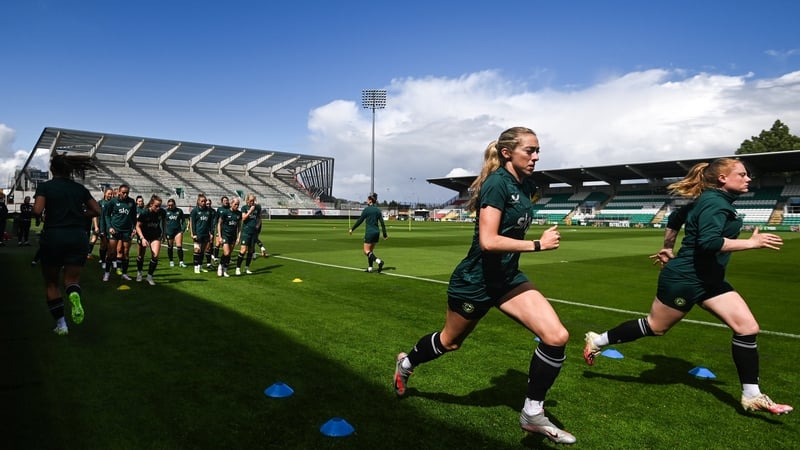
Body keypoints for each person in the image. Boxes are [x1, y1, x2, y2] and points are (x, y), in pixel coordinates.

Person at [392, 127, 575, 444]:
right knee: (450, 343)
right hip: (475, 282)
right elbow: (488, 241)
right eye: (529, 151)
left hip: (506, 278)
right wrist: (538, 246)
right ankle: (406, 363)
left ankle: (532, 412)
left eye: (537, 150)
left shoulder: (525, 185)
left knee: (556, 336)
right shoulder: (496, 185)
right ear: (507, 153)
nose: (536, 156)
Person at [583, 158, 793, 416]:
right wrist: (751, 243)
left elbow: (676, 216)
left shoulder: (715, 201)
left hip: (710, 280)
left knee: (747, 328)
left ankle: (752, 395)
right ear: (723, 179)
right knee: (655, 327)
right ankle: (598, 340)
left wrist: (668, 247)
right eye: (742, 174)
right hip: (684, 279)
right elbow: (709, 242)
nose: (748, 178)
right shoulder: (715, 203)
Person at [32, 153, 101, 335]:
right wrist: (78, 215)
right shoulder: (79, 189)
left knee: (52, 283)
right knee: (72, 280)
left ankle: (61, 325)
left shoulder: (46, 187)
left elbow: (37, 210)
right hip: (78, 236)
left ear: (52, 169)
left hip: (54, 235)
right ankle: (73, 294)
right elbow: (96, 210)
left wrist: (42, 214)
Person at [102, 184, 137, 282]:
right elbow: (107, 215)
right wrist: (109, 227)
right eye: (123, 192)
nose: (125, 194)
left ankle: (124, 274)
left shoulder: (131, 202)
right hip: (115, 230)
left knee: (125, 253)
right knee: (111, 253)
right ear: (119, 192)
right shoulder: (113, 201)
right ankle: (107, 273)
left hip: (126, 231)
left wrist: (134, 228)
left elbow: (134, 216)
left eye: (127, 193)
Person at [348, 192, 388, 272]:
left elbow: (360, 220)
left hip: (370, 233)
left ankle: (379, 261)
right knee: (370, 251)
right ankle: (370, 268)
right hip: (377, 233)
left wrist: (352, 229)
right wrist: (384, 234)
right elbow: (382, 223)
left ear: (370, 201)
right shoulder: (377, 210)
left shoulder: (367, 210)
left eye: (367, 200)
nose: (366, 201)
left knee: (366, 251)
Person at [135, 194, 166, 285]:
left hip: (155, 235)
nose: (158, 208)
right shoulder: (145, 213)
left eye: (160, 206)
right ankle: (139, 273)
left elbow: (164, 222)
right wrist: (142, 238)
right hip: (143, 235)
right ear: (151, 204)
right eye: (156, 206)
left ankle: (149, 276)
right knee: (141, 256)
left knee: (155, 256)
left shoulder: (162, 212)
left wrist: (164, 233)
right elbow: (137, 226)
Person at [235, 193, 261, 275]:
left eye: (253, 200)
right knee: (243, 250)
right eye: (251, 200)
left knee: (250, 251)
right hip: (246, 232)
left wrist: (257, 225)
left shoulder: (257, 208)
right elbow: (243, 218)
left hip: (253, 233)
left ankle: (247, 268)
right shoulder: (244, 208)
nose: (252, 202)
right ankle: (238, 268)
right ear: (247, 200)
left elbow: (259, 218)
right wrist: (250, 211)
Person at [216, 196, 242, 277]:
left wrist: (238, 237)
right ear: (231, 204)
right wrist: (220, 236)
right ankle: (220, 266)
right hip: (225, 235)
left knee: (229, 254)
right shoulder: (225, 213)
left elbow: (240, 226)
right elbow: (219, 224)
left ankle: (225, 269)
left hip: (233, 236)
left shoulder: (239, 214)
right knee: (226, 253)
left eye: (238, 204)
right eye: (235, 204)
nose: (237, 206)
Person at [189, 193, 213, 274]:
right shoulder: (195, 211)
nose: (204, 202)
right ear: (198, 202)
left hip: (205, 234)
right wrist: (193, 233)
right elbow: (192, 223)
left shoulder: (208, 211)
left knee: (202, 251)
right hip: (198, 233)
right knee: (197, 250)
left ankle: (200, 266)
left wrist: (210, 233)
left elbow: (209, 223)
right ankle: (196, 267)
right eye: (202, 201)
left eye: (204, 201)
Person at [164, 198, 187, 268]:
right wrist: (164, 232)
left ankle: (181, 262)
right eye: (169, 205)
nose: (170, 207)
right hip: (169, 231)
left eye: (172, 205)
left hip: (178, 231)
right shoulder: (165, 212)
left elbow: (183, 221)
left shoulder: (179, 211)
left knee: (179, 246)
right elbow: (162, 222)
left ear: (174, 205)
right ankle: (171, 261)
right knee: (170, 247)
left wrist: (183, 229)